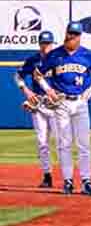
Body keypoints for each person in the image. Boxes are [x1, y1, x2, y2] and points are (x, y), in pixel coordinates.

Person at [36, 22, 91, 196]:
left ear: (80, 36)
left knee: (84, 144)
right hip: (61, 103)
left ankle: (86, 180)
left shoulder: (86, 55)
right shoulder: (55, 54)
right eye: (69, 33)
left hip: (81, 102)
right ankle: (67, 181)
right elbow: (38, 74)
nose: (71, 36)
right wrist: (48, 90)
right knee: (64, 144)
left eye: (75, 34)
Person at [15, 30, 58, 188]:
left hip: (55, 105)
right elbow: (18, 76)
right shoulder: (33, 60)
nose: (45, 46)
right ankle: (47, 176)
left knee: (62, 142)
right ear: (39, 44)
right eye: (43, 43)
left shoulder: (59, 59)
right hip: (38, 105)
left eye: (48, 43)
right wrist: (26, 91)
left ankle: (68, 177)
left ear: (52, 44)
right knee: (42, 142)